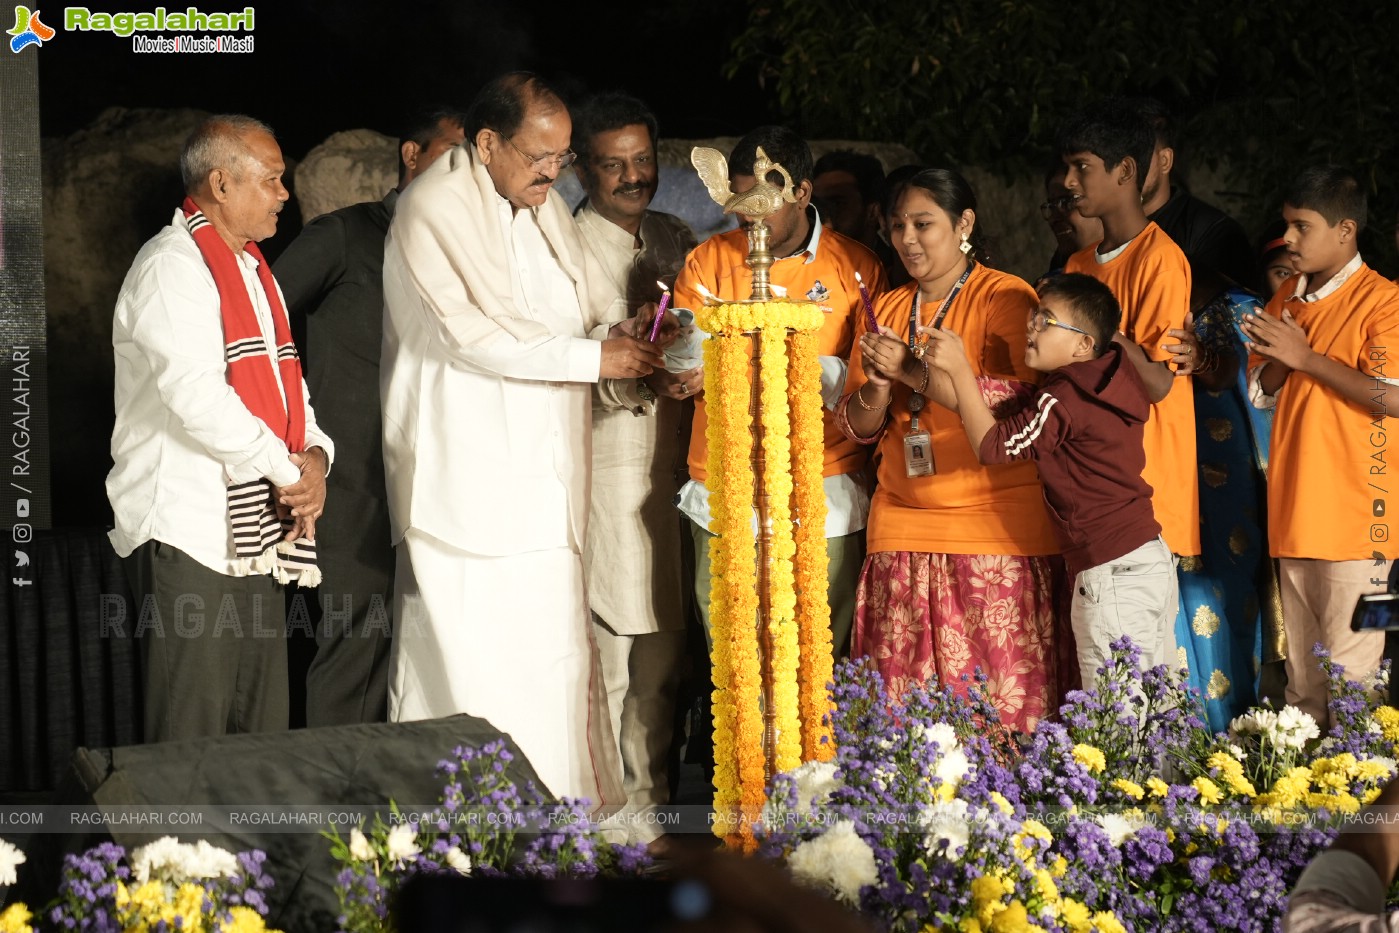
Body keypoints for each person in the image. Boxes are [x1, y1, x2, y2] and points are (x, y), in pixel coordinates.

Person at [380, 72, 664, 805]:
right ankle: (461, 843)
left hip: (544, 485)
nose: (555, 172)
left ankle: (554, 831)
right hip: (465, 493)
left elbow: (571, 320)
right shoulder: (431, 209)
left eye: (564, 157)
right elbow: (472, 337)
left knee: (549, 664)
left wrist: (617, 333)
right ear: (486, 143)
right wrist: (593, 356)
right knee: (470, 671)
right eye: (543, 156)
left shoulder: (538, 211)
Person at [107, 114, 335, 742]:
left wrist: (315, 459)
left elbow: (293, 393)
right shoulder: (172, 267)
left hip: (253, 533)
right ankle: (170, 848)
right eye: (272, 180)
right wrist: (291, 472)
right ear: (221, 184)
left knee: (255, 734)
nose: (284, 194)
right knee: (191, 735)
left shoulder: (254, 273)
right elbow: (198, 398)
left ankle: (248, 848)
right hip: (190, 531)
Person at [838, 168, 1060, 729]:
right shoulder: (885, 308)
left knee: (996, 721)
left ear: (964, 223)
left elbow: (1015, 407)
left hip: (994, 527)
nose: (908, 239)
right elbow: (856, 425)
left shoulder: (1006, 296)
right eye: (897, 226)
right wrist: (879, 386)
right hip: (902, 526)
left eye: (923, 223)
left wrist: (911, 370)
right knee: (904, 728)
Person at [274, 105, 465, 728]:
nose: (463, 172)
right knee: (357, 640)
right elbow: (257, 327)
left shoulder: (469, 252)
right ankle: (337, 817)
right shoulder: (346, 234)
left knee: (434, 649)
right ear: (412, 155)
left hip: (441, 481)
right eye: (451, 154)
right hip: (353, 481)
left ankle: (403, 808)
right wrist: (290, 442)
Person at [672, 125, 887, 659]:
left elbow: (865, 382)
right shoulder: (709, 261)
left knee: (820, 664)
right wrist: (675, 355)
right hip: (725, 487)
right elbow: (684, 360)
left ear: (801, 192)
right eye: (739, 199)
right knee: (736, 667)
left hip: (822, 491)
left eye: (760, 200)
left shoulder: (857, 268)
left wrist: (776, 361)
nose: (747, 216)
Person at [921, 273, 1175, 685]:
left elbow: (995, 447)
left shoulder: (1065, 398)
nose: (1031, 327)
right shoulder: (1113, 372)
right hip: (1147, 557)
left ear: (1082, 344)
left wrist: (960, 370)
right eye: (1035, 317)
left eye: (1046, 321)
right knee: (1158, 708)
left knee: (1115, 714)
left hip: (1110, 570)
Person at [1058, 99, 1221, 701]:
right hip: (1092, 490)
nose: (1070, 184)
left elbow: (1157, 383)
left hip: (1143, 492)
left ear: (1126, 171)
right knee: (1105, 669)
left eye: (1082, 168)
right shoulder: (1077, 263)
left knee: (1141, 677)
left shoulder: (1161, 259)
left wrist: (1095, 330)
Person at [570, 90, 698, 837]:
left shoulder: (675, 234)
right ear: (582, 168)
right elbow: (549, 362)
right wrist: (614, 351)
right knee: (615, 660)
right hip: (609, 466)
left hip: (682, 470)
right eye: (612, 164)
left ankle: (654, 810)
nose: (630, 176)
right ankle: (621, 825)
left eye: (642, 160)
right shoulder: (558, 244)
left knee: (669, 660)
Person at [1241, 165, 1399, 729]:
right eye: (1287, 225)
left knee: (1356, 687)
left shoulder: (1385, 301)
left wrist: (1305, 357)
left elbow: (1392, 399)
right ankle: (1308, 816)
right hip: (1295, 514)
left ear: (1345, 230)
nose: (1288, 240)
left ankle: (1366, 816)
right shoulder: (1288, 294)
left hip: (1363, 525)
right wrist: (1289, 357)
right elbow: (1262, 390)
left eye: (1301, 227)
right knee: (1303, 691)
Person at [1136, 98, 1256, 290]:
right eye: (1117, 156)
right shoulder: (1093, 224)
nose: (1127, 168)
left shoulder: (1213, 233)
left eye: (1140, 155)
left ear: (1165, 160)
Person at [1039, 162, 1103, 281]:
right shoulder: (1055, 277)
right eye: (1051, 205)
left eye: (1068, 201)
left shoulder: (1137, 267)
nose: (1055, 217)